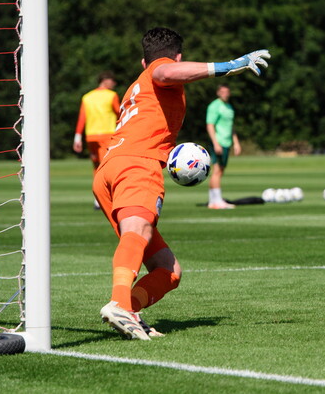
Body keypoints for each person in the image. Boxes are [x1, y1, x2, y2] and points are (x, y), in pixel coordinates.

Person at [93, 27, 269, 340]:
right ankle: (119, 303)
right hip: (137, 165)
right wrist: (228, 65)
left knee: (169, 271)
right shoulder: (158, 73)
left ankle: (129, 310)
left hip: (109, 169)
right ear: (177, 56)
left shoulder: (137, 84)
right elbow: (165, 71)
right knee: (137, 232)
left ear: (140, 60)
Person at [73, 71, 121, 209]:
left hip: (91, 136)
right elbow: (120, 113)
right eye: (112, 80)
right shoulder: (112, 95)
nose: (114, 83)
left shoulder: (87, 97)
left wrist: (77, 137)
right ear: (105, 80)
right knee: (108, 168)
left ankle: (97, 199)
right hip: (107, 135)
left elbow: (82, 117)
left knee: (96, 167)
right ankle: (105, 198)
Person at [206, 84, 242, 209]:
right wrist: (216, 143)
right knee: (217, 171)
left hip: (227, 143)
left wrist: (236, 142)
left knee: (220, 171)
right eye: (222, 91)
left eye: (227, 91)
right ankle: (216, 201)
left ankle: (213, 201)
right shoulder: (214, 106)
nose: (225, 94)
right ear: (218, 93)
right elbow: (210, 125)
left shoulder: (229, 107)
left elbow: (231, 127)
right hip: (218, 142)